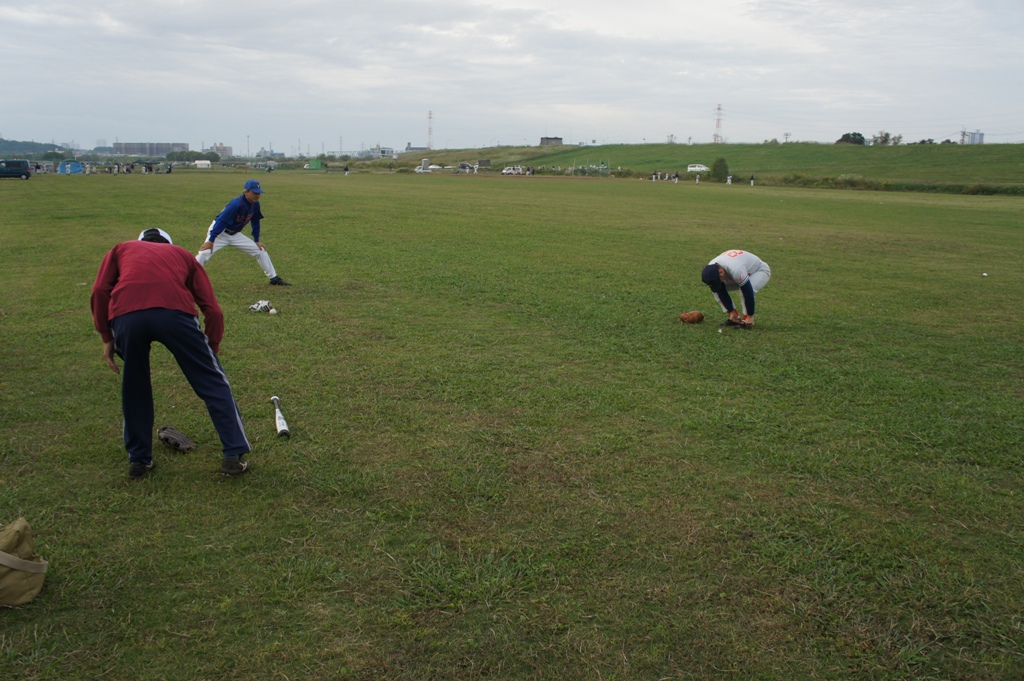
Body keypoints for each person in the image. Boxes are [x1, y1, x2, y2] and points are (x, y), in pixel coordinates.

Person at [91, 228, 252, 479]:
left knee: (135, 387)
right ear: (168, 243)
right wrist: (213, 348)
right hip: (175, 315)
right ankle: (233, 455)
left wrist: (106, 336)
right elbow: (213, 309)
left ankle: (139, 461)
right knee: (213, 383)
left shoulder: (121, 249)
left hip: (126, 317)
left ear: (141, 241)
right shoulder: (182, 254)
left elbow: (100, 290)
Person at [196, 179, 291, 286]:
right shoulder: (235, 204)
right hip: (220, 233)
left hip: (235, 234)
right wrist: (211, 240)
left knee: (260, 250)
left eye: (259, 193)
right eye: (254, 193)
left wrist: (257, 240)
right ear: (246, 192)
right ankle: (185, 277)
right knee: (205, 253)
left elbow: (255, 221)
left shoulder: (255, 204)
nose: (257, 196)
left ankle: (273, 278)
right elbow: (221, 222)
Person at [701, 250, 771, 329]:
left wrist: (750, 315)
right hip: (738, 271)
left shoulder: (735, 269)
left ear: (721, 272)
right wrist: (730, 310)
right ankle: (734, 316)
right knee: (716, 291)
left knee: (743, 290)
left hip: (759, 271)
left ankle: (748, 320)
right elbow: (719, 289)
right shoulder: (711, 268)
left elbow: (747, 292)